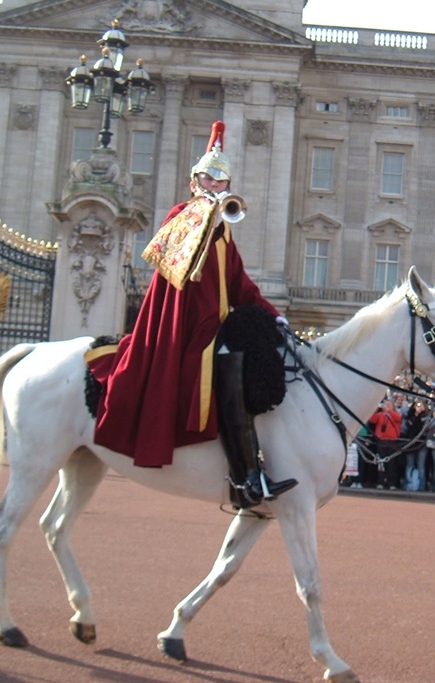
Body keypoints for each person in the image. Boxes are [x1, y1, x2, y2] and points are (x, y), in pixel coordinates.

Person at [92, 121, 296, 509]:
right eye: (209, 179)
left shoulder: (224, 232)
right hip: (184, 329)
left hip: (213, 324)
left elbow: (240, 286)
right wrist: (205, 220)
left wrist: (273, 315)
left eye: (222, 183)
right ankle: (245, 478)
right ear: (195, 181)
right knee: (231, 366)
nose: (217, 188)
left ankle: (253, 463)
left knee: (250, 361)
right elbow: (172, 264)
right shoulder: (181, 215)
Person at [368, 399, 403, 489]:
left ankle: (392, 483)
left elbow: (398, 419)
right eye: (385, 404)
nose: (386, 406)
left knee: (392, 463)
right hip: (381, 440)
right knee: (381, 463)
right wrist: (375, 409)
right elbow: (372, 420)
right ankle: (380, 482)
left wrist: (389, 411)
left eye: (389, 404)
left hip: (392, 441)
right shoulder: (380, 415)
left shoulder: (395, 414)